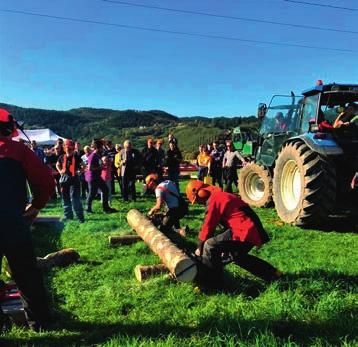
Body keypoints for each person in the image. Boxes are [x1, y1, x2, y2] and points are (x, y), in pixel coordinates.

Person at [0, 108, 55, 331]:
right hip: (13, 222)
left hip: (12, 222)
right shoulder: (17, 150)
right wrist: (35, 207)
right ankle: (40, 323)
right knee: (26, 275)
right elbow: (45, 181)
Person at [186, 180, 282, 286]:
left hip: (245, 230)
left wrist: (199, 247)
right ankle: (274, 274)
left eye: (198, 201)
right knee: (236, 256)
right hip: (251, 228)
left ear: (201, 193)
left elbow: (207, 227)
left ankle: (213, 283)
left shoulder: (214, 199)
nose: (200, 203)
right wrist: (223, 245)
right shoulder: (220, 195)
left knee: (209, 245)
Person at [56, 139, 85, 222]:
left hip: (74, 179)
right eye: (67, 148)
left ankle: (80, 217)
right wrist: (60, 171)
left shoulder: (76, 157)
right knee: (65, 198)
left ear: (72, 148)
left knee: (75, 198)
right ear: (65, 148)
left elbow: (84, 166)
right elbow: (58, 165)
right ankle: (68, 215)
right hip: (64, 179)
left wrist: (79, 171)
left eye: (70, 148)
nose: (68, 149)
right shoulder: (61, 157)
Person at [85, 139, 117, 214]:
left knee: (105, 190)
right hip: (92, 177)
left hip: (97, 177)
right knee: (92, 193)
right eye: (101, 147)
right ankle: (88, 209)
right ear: (98, 148)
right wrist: (100, 168)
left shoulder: (98, 155)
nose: (103, 149)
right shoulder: (92, 156)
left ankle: (106, 208)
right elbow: (90, 168)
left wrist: (101, 166)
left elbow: (98, 165)